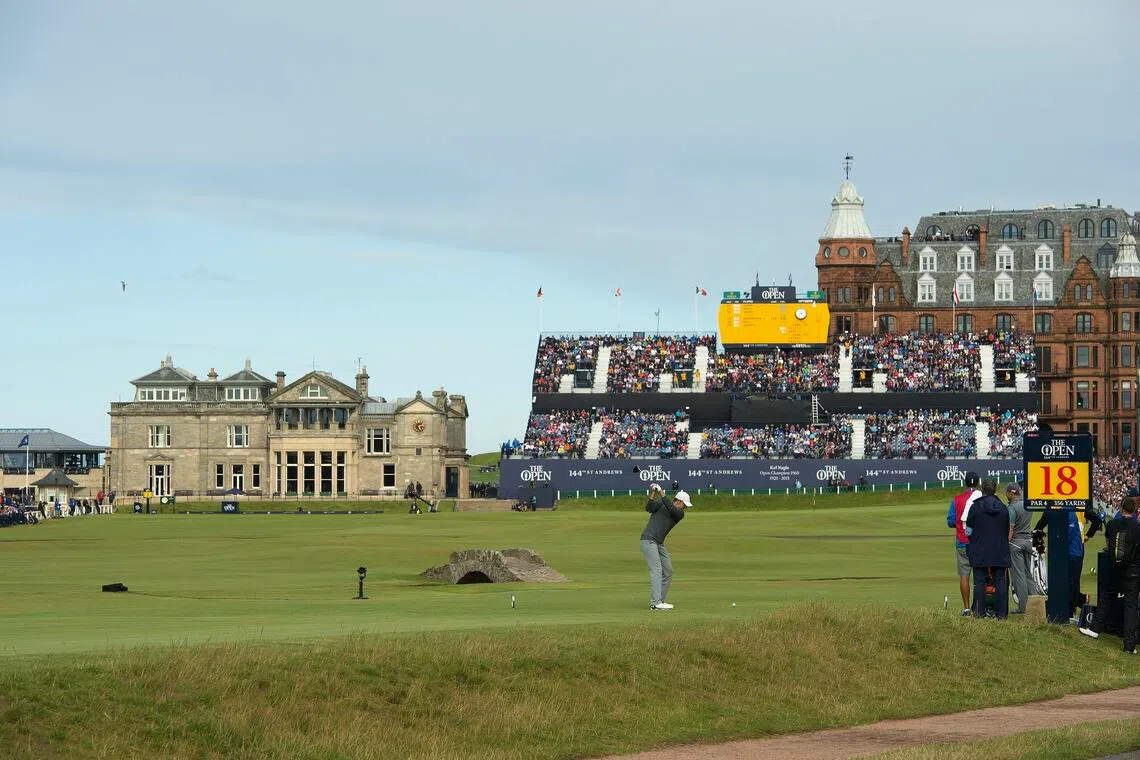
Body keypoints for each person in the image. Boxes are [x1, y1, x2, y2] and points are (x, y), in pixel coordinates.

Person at [1080, 496, 1140, 653]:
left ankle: (1094, 629)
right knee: (1131, 606)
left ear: (1121, 508)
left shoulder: (1113, 524)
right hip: (1133, 570)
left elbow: (1108, 542)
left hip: (1116, 568)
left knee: (1107, 597)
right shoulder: (1138, 527)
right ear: (1134, 511)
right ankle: (1129, 645)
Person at [965, 480, 1012, 619]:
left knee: (979, 582)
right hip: (1000, 550)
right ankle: (1001, 615)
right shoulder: (1003, 508)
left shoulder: (975, 507)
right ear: (995, 490)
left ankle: (979, 612)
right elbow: (1006, 529)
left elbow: (968, 531)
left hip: (979, 549)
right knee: (1000, 583)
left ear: (983, 490)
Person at [640, 483, 689, 611]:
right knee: (656, 571)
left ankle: (660, 600)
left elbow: (670, 507)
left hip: (658, 543)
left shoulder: (679, 513)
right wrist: (653, 492)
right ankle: (655, 603)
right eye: (685, 504)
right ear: (679, 501)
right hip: (649, 540)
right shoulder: (663, 503)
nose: (685, 508)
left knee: (668, 571)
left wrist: (661, 492)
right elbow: (649, 508)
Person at [948, 471, 982, 616]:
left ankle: (967, 608)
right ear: (978, 483)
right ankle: (980, 608)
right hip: (980, 542)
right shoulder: (982, 498)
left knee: (964, 576)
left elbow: (950, 521)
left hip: (962, 542)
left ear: (965, 483)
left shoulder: (956, 500)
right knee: (980, 576)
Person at [1006, 482, 1033, 614]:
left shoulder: (1012, 508)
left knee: (1019, 576)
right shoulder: (1027, 504)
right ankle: (1037, 604)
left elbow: (1010, 529)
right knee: (1029, 574)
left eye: (1007, 493)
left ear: (1012, 493)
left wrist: (1007, 542)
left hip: (1016, 543)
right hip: (1028, 541)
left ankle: (1023, 608)